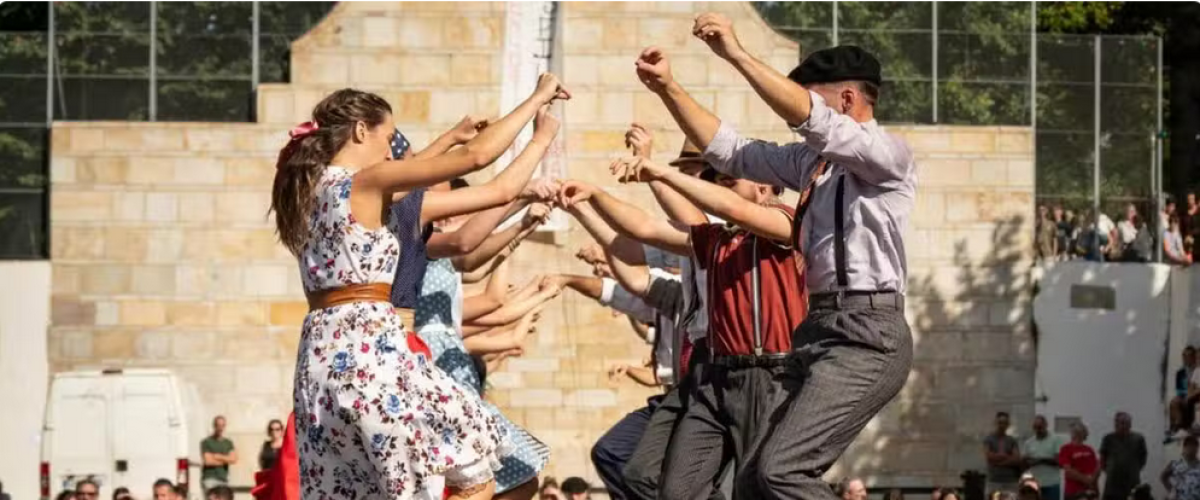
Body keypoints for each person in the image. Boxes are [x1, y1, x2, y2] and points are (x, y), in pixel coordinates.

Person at [632, 13, 916, 498]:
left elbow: (810, 119)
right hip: (816, 329)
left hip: (867, 336)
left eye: (813, 98)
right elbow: (733, 153)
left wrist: (736, 54)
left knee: (783, 471)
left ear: (847, 99)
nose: (801, 116)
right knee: (752, 481)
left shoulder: (887, 156)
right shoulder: (812, 165)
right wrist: (668, 89)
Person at [270, 75, 569, 499]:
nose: (389, 149)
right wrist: (540, 121)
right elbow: (484, 165)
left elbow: (414, 187)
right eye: (387, 137)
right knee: (476, 457)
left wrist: (448, 137)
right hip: (371, 346)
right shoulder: (365, 183)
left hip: (320, 354)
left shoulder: (310, 189)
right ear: (360, 130)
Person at [1100, 412, 1148, 500]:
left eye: (1127, 423)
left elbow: (1143, 459)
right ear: (1115, 424)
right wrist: (1110, 470)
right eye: (1122, 423)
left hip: (1132, 483)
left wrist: (1133, 469)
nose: (1124, 426)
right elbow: (1102, 460)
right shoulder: (1108, 439)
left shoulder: (1138, 439)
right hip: (1112, 485)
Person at [1024, 415, 1067, 500]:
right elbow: (1026, 462)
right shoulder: (1028, 443)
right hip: (1034, 484)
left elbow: (1059, 462)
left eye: (1040, 427)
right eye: (1035, 428)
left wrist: (1040, 460)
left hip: (1052, 484)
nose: (1038, 430)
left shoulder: (1055, 440)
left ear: (1046, 425)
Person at [1060, 423, 1100, 500]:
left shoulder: (1089, 449)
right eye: (1084, 432)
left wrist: (1095, 487)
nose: (1086, 435)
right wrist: (1086, 480)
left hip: (1089, 491)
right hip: (1073, 491)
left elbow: (1096, 469)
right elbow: (1069, 471)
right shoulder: (1066, 449)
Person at [986, 412, 1024, 494]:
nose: (1002, 425)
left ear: (1008, 425)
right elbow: (989, 457)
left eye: (1004, 423)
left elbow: (1016, 459)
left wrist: (999, 463)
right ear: (995, 423)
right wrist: (1008, 457)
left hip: (1011, 481)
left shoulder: (1012, 440)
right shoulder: (989, 440)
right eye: (1000, 423)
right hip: (994, 481)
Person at [201, 416, 237, 491]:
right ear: (214, 426)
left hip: (223, 479)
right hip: (210, 479)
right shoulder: (207, 442)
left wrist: (217, 456)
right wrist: (226, 460)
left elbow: (233, 459)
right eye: (218, 425)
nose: (220, 428)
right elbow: (208, 462)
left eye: (222, 425)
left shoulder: (228, 443)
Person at [1161, 435, 1200, 500]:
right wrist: (1171, 490)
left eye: (1194, 446)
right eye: (1189, 446)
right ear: (1184, 447)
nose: (1191, 449)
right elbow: (1163, 477)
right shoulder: (1175, 464)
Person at [1171, 347, 1197, 437]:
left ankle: (1192, 426)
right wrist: (1185, 394)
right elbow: (1178, 389)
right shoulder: (1180, 373)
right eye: (1184, 356)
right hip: (1185, 396)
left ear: (1194, 357)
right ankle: (1178, 426)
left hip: (1196, 395)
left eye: (1189, 356)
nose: (1186, 358)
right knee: (1174, 402)